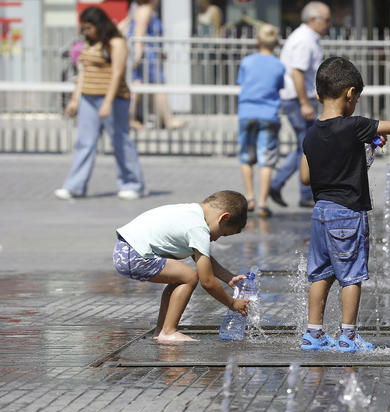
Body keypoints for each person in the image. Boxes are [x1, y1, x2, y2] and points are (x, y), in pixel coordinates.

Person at [299, 57, 390, 352]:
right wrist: (371, 132)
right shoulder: (354, 125)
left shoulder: (310, 133)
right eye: (357, 97)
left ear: (318, 95)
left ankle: (314, 332)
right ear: (350, 93)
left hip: (320, 212)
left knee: (322, 273)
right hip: (347, 213)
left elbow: (306, 177)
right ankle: (348, 335)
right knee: (351, 274)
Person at [113, 190, 250, 343]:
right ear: (224, 218)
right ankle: (168, 331)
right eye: (223, 234)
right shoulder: (198, 229)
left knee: (179, 279)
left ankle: (162, 331)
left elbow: (205, 260)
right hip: (136, 255)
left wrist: (229, 278)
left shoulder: (192, 213)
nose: (217, 239)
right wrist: (232, 303)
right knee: (189, 277)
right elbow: (207, 281)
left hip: (125, 250)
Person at [55, 7, 145, 201]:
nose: (86, 32)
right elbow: (83, 73)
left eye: (89, 27)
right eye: (84, 28)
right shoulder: (89, 43)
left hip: (114, 98)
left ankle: (132, 183)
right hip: (88, 97)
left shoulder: (116, 42)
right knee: (84, 143)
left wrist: (107, 102)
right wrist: (74, 99)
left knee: (120, 141)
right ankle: (75, 185)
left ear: (99, 25)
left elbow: (117, 74)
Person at [269, 1, 330, 209]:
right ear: (313, 19)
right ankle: (301, 192)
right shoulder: (304, 40)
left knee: (303, 146)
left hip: (298, 98)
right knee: (307, 146)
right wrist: (305, 103)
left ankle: (277, 184)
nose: (328, 24)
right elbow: (297, 72)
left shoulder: (307, 37)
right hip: (297, 99)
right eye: (326, 20)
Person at [236, 23, 285, 218]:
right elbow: (278, 86)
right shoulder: (279, 65)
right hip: (269, 114)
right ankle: (263, 204)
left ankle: (250, 198)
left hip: (247, 112)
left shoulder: (247, 62)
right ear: (276, 43)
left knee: (246, 157)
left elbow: (242, 83)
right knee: (267, 160)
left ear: (257, 42)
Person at [128, 0, 186, 130]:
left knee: (137, 85)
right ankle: (167, 119)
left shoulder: (139, 9)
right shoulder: (145, 10)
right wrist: (138, 55)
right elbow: (139, 33)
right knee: (157, 86)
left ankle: (131, 118)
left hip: (148, 54)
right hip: (147, 56)